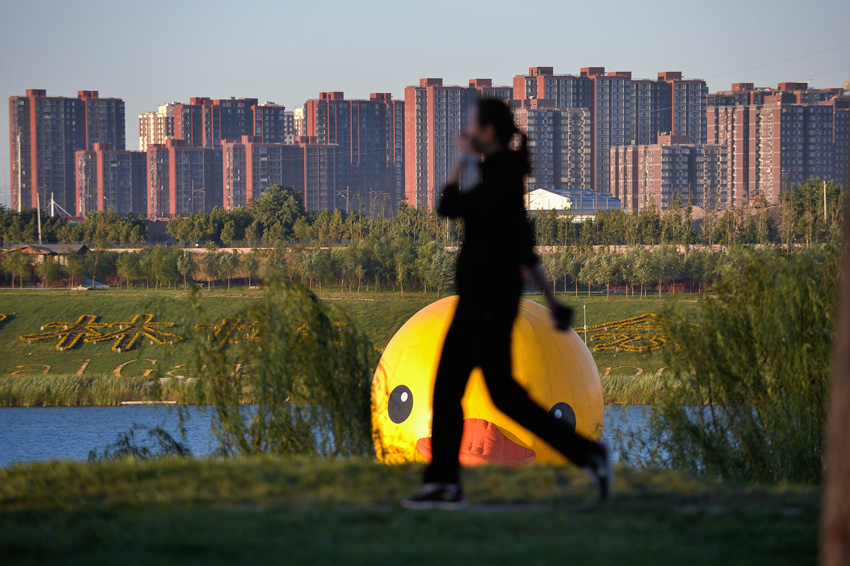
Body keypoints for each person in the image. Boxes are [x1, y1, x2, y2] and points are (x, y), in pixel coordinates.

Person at [401, 98, 612, 510]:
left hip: (487, 303)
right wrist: (552, 300)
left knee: (463, 392)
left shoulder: (502, 178)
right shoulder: (502, 174)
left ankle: (447, 484)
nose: (467, 133)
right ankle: (587, 456)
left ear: (489, 132)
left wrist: (461, 159)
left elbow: (448, 205)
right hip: (486, 300)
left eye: (473, 127)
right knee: (493, 395)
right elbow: (524, 247)